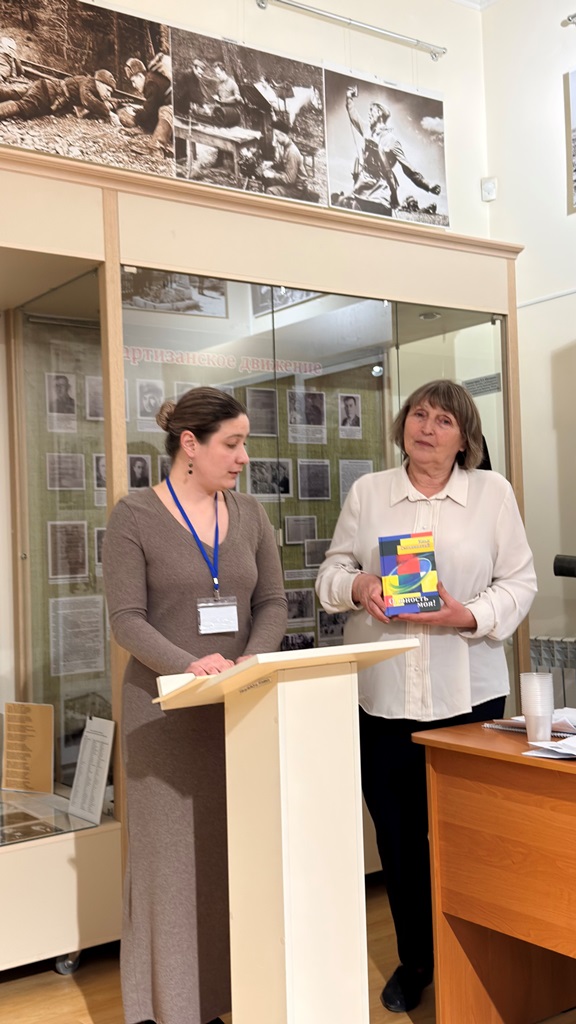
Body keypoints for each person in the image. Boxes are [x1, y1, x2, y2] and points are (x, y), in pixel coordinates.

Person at [315, 379, 536, 1014]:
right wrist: (360, 586)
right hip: (384, 698)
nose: (427, 428)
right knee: (399, 839)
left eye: (443, 420)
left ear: (465, 438)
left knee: (474, 835)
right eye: (418, 415)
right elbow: (330, 573)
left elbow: (519, 583)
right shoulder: (369, 492)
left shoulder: (492, 493)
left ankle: (481, 959)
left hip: (470, 697)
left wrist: (468, 615)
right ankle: (416, 961)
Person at [102, 386, 287, 1024]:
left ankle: (227, 1000)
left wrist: (247, 664)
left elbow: (273, 603)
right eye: (231, 444)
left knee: (230, 859)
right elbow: (127, 620)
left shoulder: (252, 514)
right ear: (190, 444)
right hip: (164, 716)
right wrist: (189, 666)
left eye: (243, 444)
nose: (242, 457)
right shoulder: (133, 516)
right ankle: (168, 1009)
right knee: (171, 869)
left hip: (239, 710)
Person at [333, 85, 441, 216]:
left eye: (371, 111)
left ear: (379, 113)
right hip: (361, 191)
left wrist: (427, 185)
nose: (369, 114)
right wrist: (349, 97)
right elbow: (353, 116)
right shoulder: (367, 130)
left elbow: (409, 170)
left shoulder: (392, 141)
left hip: (380, 196)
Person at [0, 68, 119, 123]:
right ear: (99, 82)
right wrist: (108, 112)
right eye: (108, 89)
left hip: (46, 87)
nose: (108, 94)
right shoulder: (89, 82)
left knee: (12, 94)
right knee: (24, 106)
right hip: (48, 93)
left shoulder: (90, 86)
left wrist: (109, 104)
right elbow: (87, 100)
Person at [122, 54, 174, 155]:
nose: (133, 85)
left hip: (175, 113)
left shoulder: (151, 83)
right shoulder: (152, 80)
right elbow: (152, 110)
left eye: (133, 81)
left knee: (165, 110)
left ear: (140, 76)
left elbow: (148, 112)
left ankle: (156, 147)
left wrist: (136, 115)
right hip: (174, 117)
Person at [261, 119, 309, 199]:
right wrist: (271, 164)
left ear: (283, 135)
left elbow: (289, 180)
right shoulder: (287, 147)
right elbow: (283, 164)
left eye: (276, 136)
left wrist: (272, 175)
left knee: (270, 191)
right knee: (268, 178)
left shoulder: (292, 152)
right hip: (293, 183)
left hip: (297, 189)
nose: (275, 139)